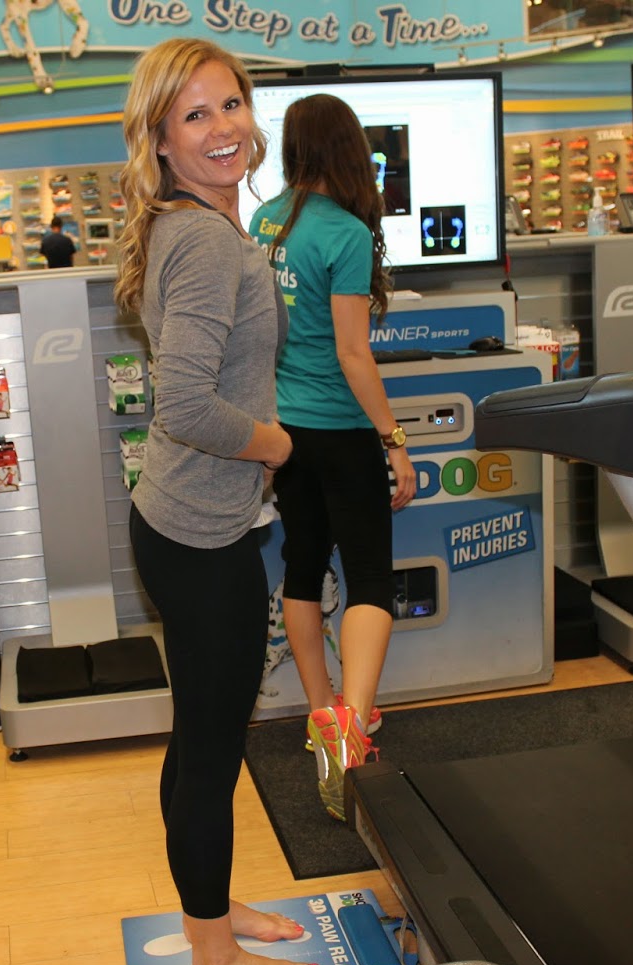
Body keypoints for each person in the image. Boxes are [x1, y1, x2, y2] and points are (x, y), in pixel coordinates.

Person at [113, 37, 318, 965]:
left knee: (201, 737)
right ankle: (217, 962)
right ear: (160, 140)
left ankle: (210, 909)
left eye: (231, 104)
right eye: (195, 115)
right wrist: (276, 446)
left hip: (188, 521)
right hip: (199, 535)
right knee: (211, 747)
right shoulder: (201, 240)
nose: (223, 127)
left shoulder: (203, 225)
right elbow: (186, 405)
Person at [249, 94, 416, 822]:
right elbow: (353, 354)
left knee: (304, 565)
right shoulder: (344, 233)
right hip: (342, 431)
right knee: (370, 576)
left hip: (286, 431)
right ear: (349, 149)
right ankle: (354, 724)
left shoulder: (265, 222)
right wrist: (394, 440)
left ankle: (322, 714)